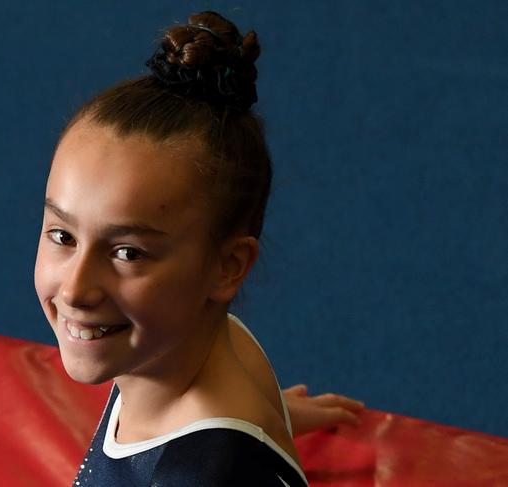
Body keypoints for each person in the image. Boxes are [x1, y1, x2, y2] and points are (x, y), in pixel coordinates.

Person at [34, 11, 363, 486]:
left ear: (227, 267)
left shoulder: (198, 472)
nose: (75, 290)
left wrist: (242, 446)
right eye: (63, 236)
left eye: (128, 253)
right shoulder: (185, 350)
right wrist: (271, 420)